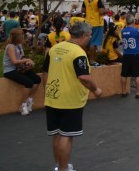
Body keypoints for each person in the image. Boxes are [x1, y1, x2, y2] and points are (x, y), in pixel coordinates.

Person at [43, 22, 102, 171]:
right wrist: (96, 89)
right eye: (89, 36)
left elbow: (45, 73)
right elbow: (84, 77)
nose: (89, 38)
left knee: (56, 134)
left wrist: (47, 90)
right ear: (83, 36)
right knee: (66, 136)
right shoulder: (78, 53)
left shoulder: (55, 49)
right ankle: (63, 169)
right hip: (70, 101)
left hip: (52, 97)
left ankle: (59, 166)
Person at [2, 28, 41, 116]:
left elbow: (21, 57)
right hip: (10, 70)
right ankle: (22, 105)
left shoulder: (19, 45)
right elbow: (14, 61)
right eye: (21, 36)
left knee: (37, 79)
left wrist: (27, 62)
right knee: (28, 83)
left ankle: (29, 100)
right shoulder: (10, 47)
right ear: (17, 37)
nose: (23, 37)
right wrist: (27, 59)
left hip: (19, 68)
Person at [120, 15, 139, 99]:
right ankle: (138, 93)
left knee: (124, 74)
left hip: (126, 54)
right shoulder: (136, 30)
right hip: (135, 54)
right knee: (137, 74)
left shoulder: (123, 31)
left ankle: (123, 92)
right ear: (133, 21)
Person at [83, 0, 107, 67]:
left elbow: (83, 10)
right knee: (94, 43)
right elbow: (101, 12)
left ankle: (86, 59)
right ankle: (92, 61)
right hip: (97, 23)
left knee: (86, 42)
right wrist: (106, 11)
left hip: (87, 23)